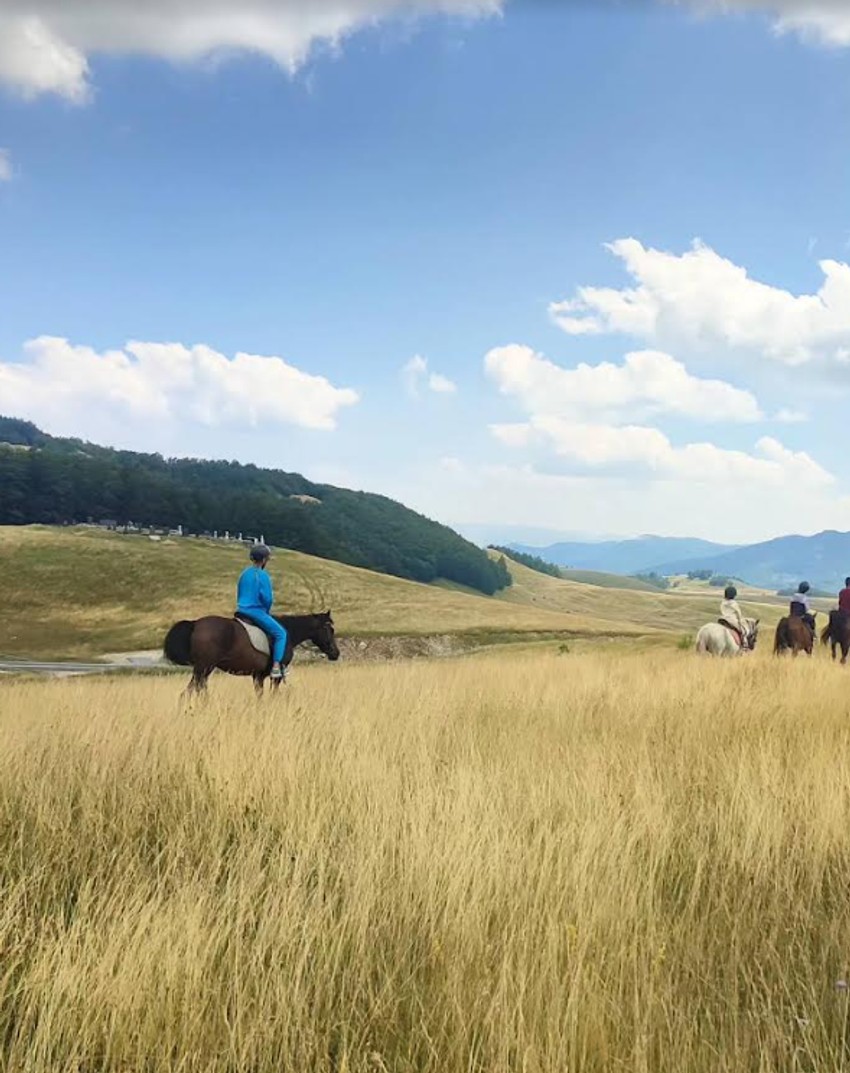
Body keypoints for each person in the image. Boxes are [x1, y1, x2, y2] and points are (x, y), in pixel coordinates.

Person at [236, 544, 288, 680]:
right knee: (281, 633)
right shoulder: (262, 575)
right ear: (264, 560)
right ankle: (276, 667)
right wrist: (266, 610)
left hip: (241, 610)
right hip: (256, 612)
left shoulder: (244, 574)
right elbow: (267, 598)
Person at [719, 584, 749, 649]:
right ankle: (744, 645)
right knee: (743, 631)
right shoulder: (734, 603)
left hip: (723, 619)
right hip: (732, 621)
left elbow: (721, 610)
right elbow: (738, 613)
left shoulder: (723, 602)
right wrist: (740, 621)